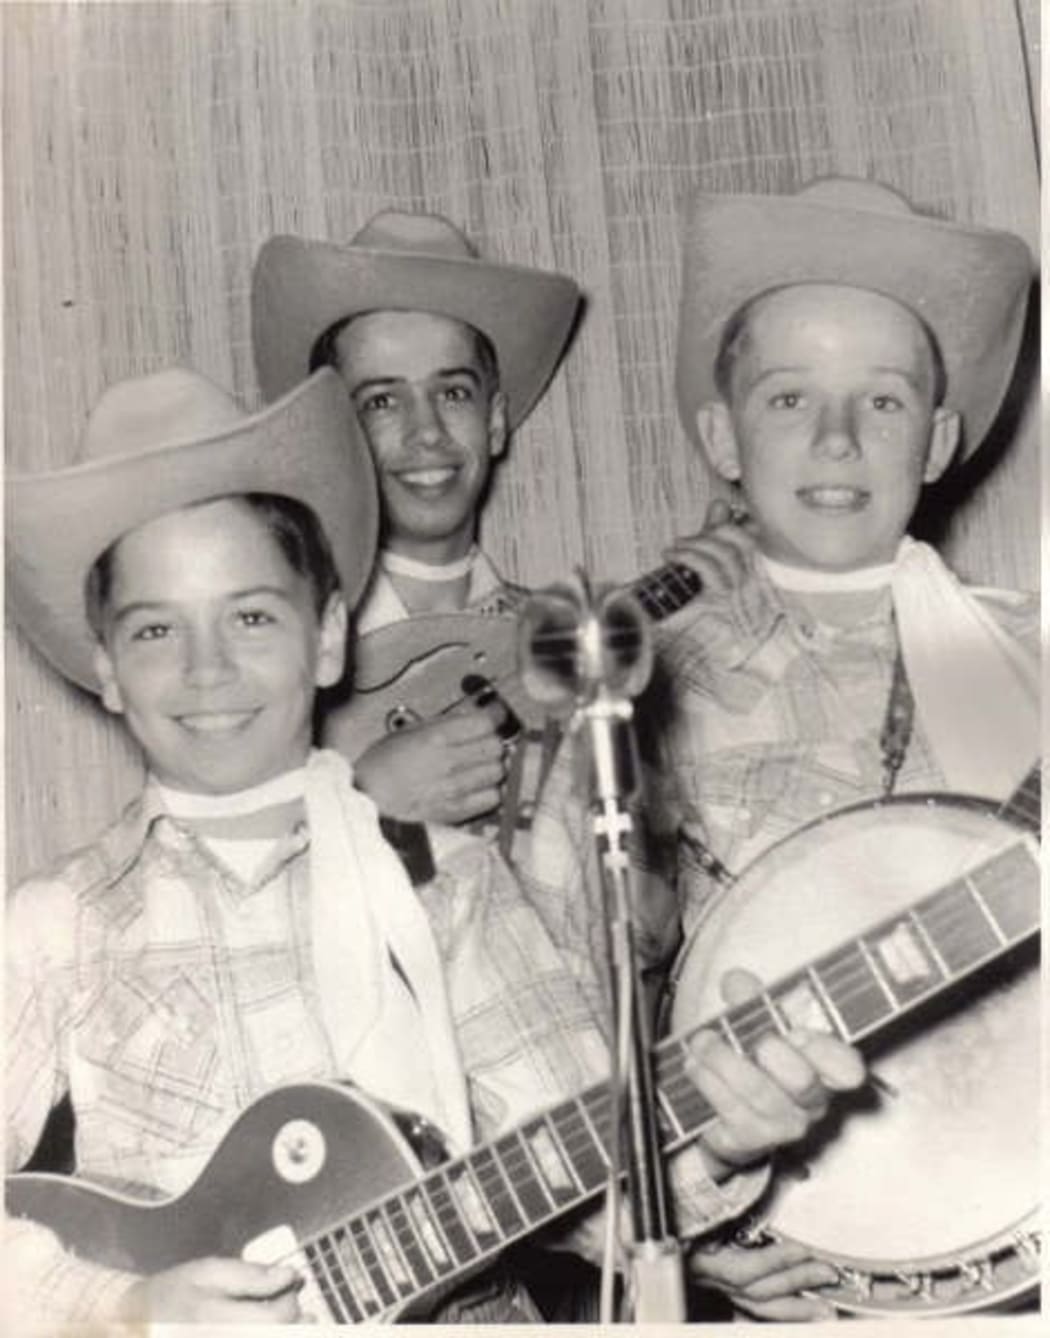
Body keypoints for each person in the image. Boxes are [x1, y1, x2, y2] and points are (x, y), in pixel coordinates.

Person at [4, 365, 866, 1326]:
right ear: (106, 669)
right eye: (157, 629)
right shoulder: (57, 922)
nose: (207, 670)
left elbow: (596, 1187)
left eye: (253, 616)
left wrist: (716, 1141)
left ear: (328, 638)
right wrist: (118, 1310)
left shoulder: (447, 879)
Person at [644, 176, 1038, 1319]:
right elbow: (552, 1049)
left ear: (940, 439)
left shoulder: (1032, 656)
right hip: (793, 1285)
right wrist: (678, 1229)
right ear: (720, 435)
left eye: (881, 402)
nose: (834, 439)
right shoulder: (640, 684)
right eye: (786, 400)